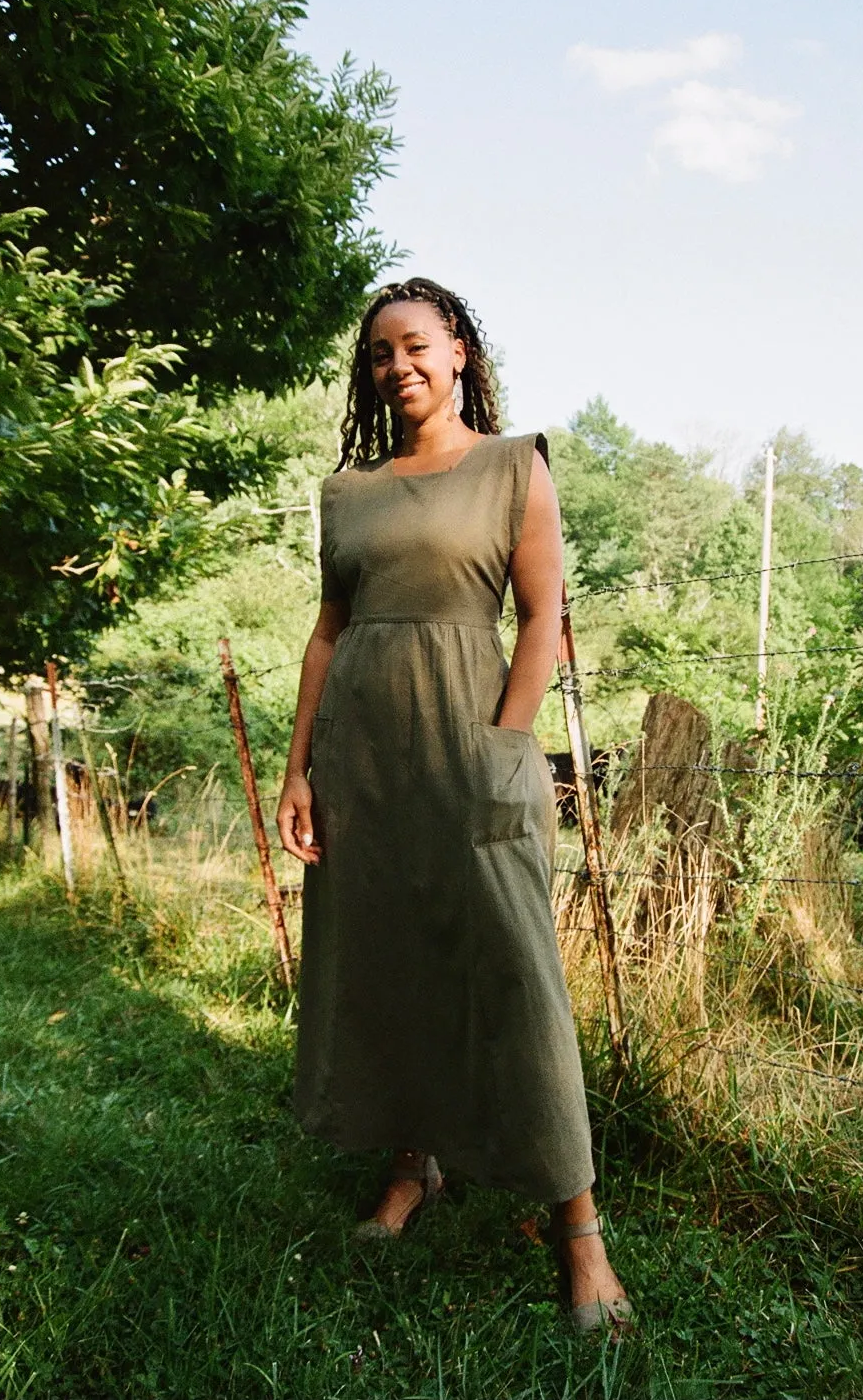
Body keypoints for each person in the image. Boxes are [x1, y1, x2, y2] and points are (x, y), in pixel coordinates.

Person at [276, 277, 631, 1334]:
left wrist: (502, 747)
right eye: (379, 352)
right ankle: (411, 1164)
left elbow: (540, 617)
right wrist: (298, 769)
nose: (398, 366)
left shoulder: (513, 465)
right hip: (362, 760)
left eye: (416, 344)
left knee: (515, 971)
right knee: (388, 959)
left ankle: (579, 1228)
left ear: (459, 350)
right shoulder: (348, 491)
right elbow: (328, 632)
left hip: (473, 747)